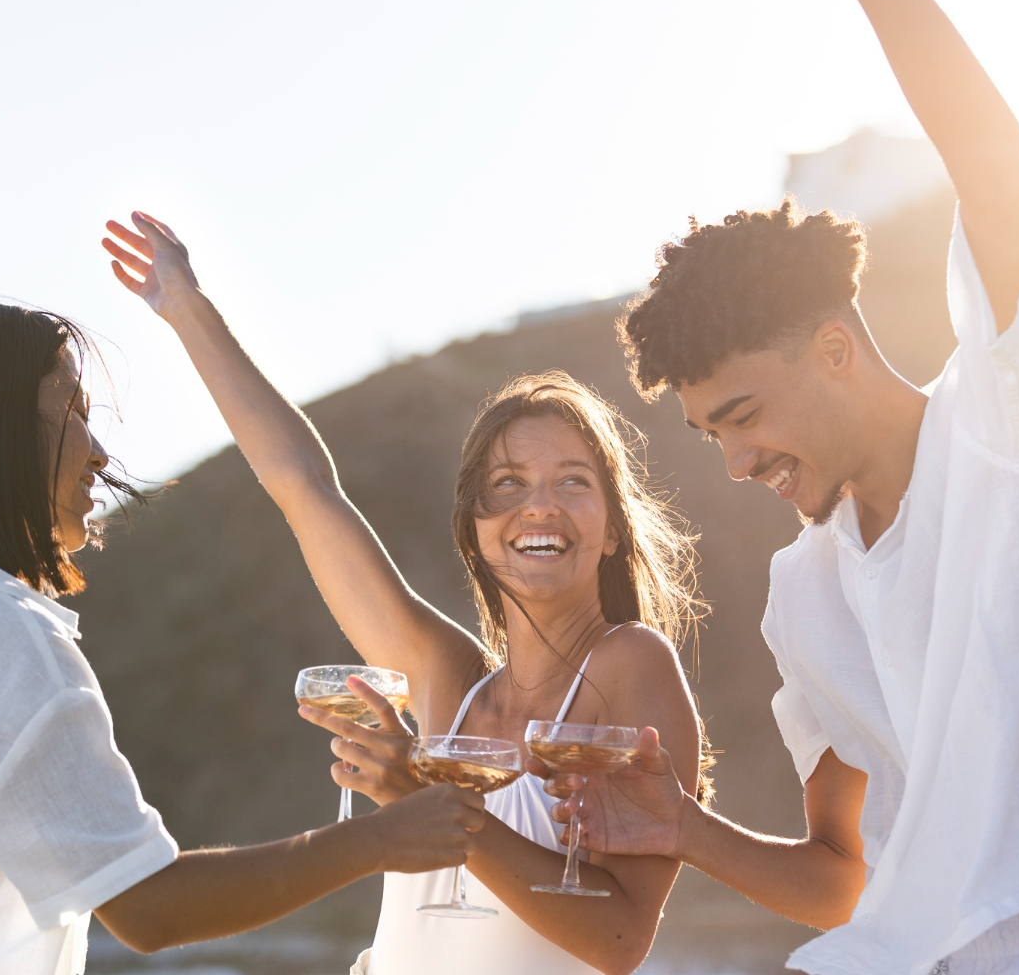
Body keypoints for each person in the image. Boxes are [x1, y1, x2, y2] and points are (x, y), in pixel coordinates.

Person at [540, 0, 1019, 973]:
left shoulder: (1014, 420)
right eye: (710, 432)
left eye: (745, 416)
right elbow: (843, 878)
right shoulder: (808, 595)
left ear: (837, 349)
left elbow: (991, 162)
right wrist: (683, 826)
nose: (736, 461)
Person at [0, 105, 488, 975]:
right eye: (71, 413)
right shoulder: (2, 651)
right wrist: (381, 842)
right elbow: (148, 906)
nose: (100, 452)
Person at [100, 211, 711, 975]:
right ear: (476, 529)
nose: (540, 506)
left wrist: (423, 799)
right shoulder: (448, 682)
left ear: (614, 531)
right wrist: (187, 309)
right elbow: (304, 487)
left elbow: (619, 941)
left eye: (573, 483)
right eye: (509, 485)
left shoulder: (630, 665)